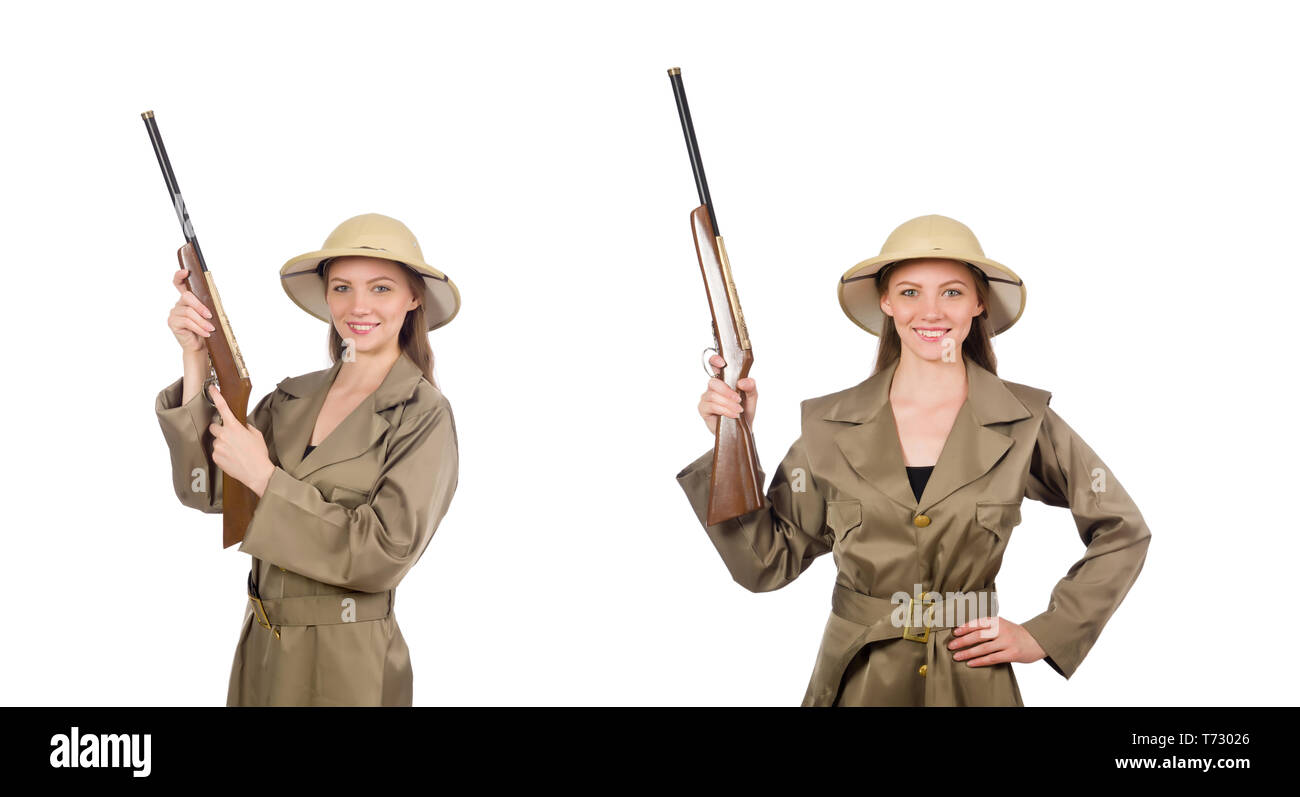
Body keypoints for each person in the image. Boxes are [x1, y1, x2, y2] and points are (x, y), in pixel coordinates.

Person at [677, 214, 1152, 706]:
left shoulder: (1025, 419)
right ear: (885, 301)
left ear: (978, 302)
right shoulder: (830, 425)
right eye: (909, 292)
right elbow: (765, 564)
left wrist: (1046, 634)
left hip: (973, 682)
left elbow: (1122, 528)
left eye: (951, 292)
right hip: (858, 682)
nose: (931, 312)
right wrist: (732, 441)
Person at [155, 213, 460, 706]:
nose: (358, 306)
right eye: (342, 287)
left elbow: (383, 554)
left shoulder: (423, 415)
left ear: (414, 297)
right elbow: (206, 488)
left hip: (349, 665)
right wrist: (196, 357)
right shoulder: (291, 399)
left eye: (381, 288)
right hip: (264, 651)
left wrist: (265, 477)